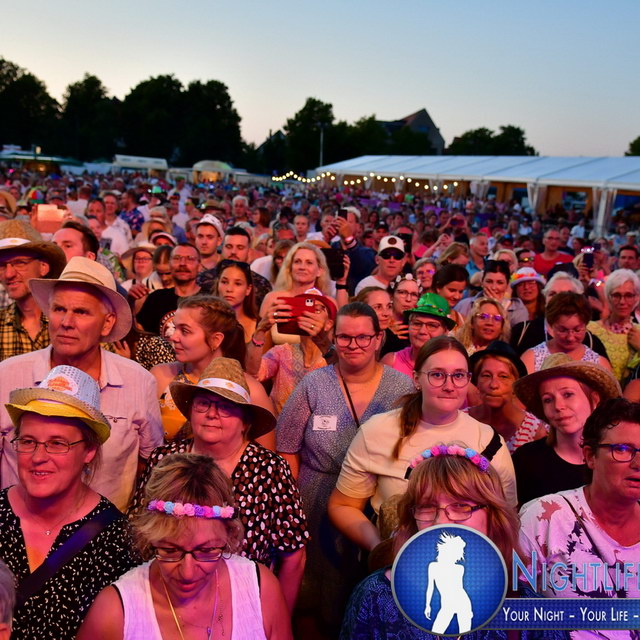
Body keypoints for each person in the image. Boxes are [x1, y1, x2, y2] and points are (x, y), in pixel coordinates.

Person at [276, 302, 414, 631]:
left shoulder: (402, 389)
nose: (354, 345)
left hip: (376, 499)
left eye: (363, 337)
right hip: (316, 496)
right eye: (345, 337)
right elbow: (286, 446)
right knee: (316, 583)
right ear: (334, 339)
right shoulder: (314, 384)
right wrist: (292, 504)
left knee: (369, 578)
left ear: (378, 339)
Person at [131, 358, 306, 613]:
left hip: (243, 603)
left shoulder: (270, 469)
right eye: (204, 403)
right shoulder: (164, 459)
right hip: (167, 599)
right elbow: (139, 529)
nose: (212, 414)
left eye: (225, 407)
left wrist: (278, 618)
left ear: (245, 422)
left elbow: (293, 557)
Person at [0, 256, 163, 511]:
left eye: (81, 312)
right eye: (59, 309)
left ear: (107, 323)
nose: (66, 322)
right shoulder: (8, 375)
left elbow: (149, 464)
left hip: (104, 530)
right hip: (17, 528)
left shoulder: (138, 381)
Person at [328, 336, 516, 555]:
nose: (449, 386)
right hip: (399, 561)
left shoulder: (488, 440)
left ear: (468, 380)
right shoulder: (377, 431)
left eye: (458, 376)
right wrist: (379, 546)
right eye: (437, 375)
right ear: (417, 379)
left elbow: (507, 512)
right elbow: (343, 505)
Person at [79, 453, 292, 639]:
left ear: (228, 534)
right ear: (150, 537)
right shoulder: (114, 612)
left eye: (206, 551)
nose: (188, 573)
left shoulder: (261, 590)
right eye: (170, 550)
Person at [0, 366, 138, 639]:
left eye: (57, 444)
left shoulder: (117, 542)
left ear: (89, 450)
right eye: (28, 441)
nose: (38, 457)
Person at [340, 447, 521, 640]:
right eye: (427, 507)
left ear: (493, 515)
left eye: (460, 505)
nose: (441, 522)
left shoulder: (521, 598)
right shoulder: (376, 595)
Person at [518, 398, 640, 610]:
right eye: (622, 449)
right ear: (590, 456)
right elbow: (507, 611)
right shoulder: (544, 517)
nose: (637, 463)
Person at [150, 294, 275, 442]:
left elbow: (266, 453)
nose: (173, 337)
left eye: (184, 331)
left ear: (216, 339)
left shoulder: (249, 390)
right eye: (175, 328)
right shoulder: (161, 376)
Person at [512, 353, 621, 506]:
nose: (558, 406)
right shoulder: (526, 459)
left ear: (595, 399)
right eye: (548, 400)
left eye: (568, 394)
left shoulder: (615, 458)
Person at [247, 288, 337, 415]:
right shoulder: (281, 352)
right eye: (304, 308)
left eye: (317, 309)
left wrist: (322, 340)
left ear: (329, 324)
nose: (309, 313)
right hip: (278, 425)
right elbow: (253, 374)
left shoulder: (336, 357)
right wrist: (260, 330)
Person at [0, 220, 66, 361]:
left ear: (43, 267)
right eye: (2, 265)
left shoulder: (69, 322)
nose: (9, 274)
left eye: (20, 263)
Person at [467, 341, 546, 452]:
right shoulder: (460, 420)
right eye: (486, 375)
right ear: (477, 382)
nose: (493, 385)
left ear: (515, 385)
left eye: (503, 377)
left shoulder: (534, 430)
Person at [510, 271, 608, 357]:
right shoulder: (522, 332)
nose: (557, 300)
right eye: (552, 294)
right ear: (545, 298)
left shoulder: (590, 341)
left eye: (565, 295)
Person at [521, 292, 612, 373]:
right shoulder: (532, 358)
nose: (570, 337)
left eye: (577, 330)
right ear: (551, 325)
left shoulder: (599, 364)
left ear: (586, 325)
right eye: (562, 330)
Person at [136, 243, 202, 338]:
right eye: (177, 258)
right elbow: (139, 334)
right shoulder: (156, 298)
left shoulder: (210, 300)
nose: (182, 263)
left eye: (190, 259)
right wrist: (131, 301)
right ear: (170, 264)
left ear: (199, 266)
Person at [381, 292, 455, 377]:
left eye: (432, 325)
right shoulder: (391, 362)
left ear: (446, 331)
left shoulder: (454, 364)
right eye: (417, 324)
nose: (422, 331)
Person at [588, 269, 640, 382]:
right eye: (616, 295)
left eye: (628, 295)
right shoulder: (591, 329)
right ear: (608, 297)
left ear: (637, 298)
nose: (622, 301)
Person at [455, 260, 529, 327]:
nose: (494, 287)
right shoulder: (465, 305)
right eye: (489, 281)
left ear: (507, 284)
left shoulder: (518, 310)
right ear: (482, 282)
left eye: (500, 282)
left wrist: (499, 308)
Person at [214, 259, 259, 343]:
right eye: (224, 282)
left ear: (248, 289)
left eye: (237, 284)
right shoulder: (204, 321)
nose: (229, 289)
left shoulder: (260, 325)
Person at [433, 264, 469, 331]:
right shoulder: (423, 315)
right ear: (438, 287)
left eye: (460, 292)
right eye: (452, 290)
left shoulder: (463, 320)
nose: (457, 296)